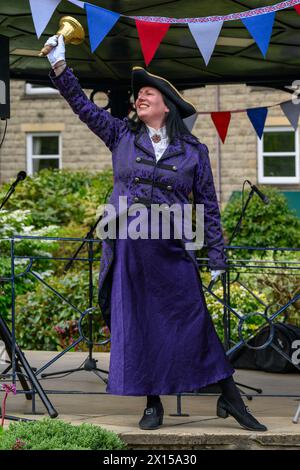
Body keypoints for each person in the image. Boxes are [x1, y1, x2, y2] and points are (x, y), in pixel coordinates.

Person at [44, 34, 267, 432]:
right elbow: (81, 107)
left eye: (148, 93)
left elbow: (209, 207)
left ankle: (230, 397)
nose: (139, 98)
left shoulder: (194, 151)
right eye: (138, 94)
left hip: (173, 249)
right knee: (141, 325)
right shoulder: (121, 137)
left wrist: (216, 256)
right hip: (130, 250)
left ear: (168, 104)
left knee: (193, 321)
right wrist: (61, 66)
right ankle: (153, 405)